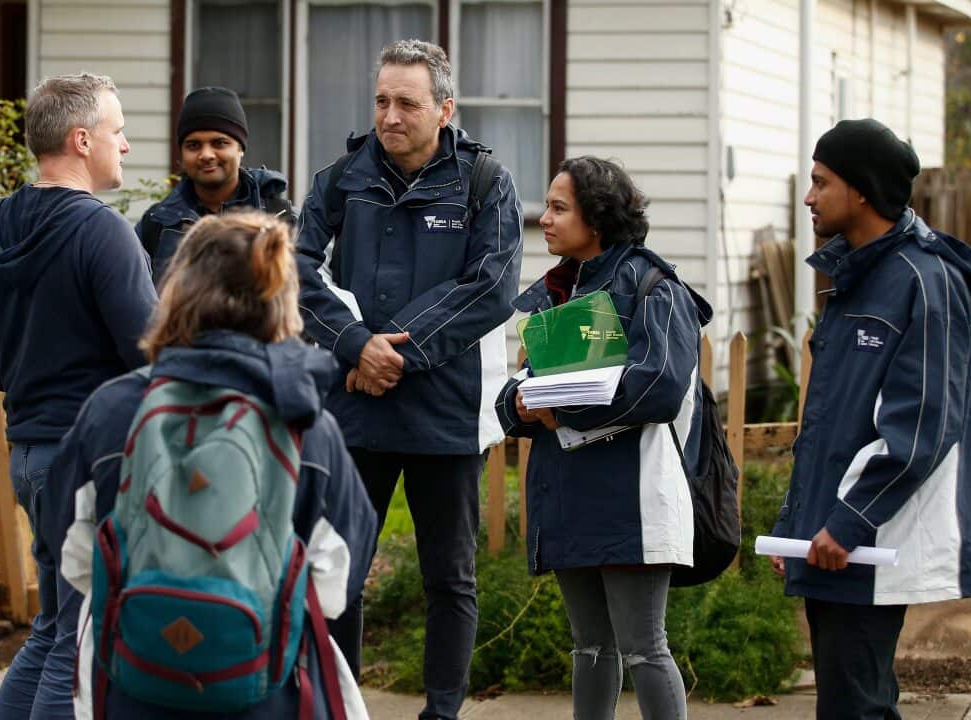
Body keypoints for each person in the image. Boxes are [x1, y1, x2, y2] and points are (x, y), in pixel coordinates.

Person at [48, 211, 378, 719]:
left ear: (177, 291)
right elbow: (338, 583)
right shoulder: (305, 424)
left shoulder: (111, 410)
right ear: (281, 301)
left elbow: (69, 549)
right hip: (268, 688)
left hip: (132, 684)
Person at [295, 38, 522, 720]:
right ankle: (340, 707)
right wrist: (355, 346)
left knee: (449, 577)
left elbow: (492, 286)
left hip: (443, 415)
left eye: (407, 103)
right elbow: (296, 272)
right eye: (381, 101)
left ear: (444, 110)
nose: (390, 116)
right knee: (338, 570)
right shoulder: (340, 179)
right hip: (355, 409)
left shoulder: (485, 182)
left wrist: (395, 351)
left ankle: (441, 712)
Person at [0, 72, 158, 720]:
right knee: (81, 640)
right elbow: (150, 352)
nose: (126, 145)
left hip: (31, 454)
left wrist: (28, 375)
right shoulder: (103, 233)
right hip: (89, 459)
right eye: (118, 132)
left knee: (55, 627)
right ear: (82, 140)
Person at [770, 119, 971, 720]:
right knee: (851, 702)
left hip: (871, 537)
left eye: (821, 182)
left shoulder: (925, 279)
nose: (809, 196)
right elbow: (829, 422)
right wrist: (797, 524)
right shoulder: (857, 276)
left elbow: (922, 423)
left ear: (862, 190)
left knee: (856, 705)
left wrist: (847, 522)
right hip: (836, 532)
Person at [495, 156, 707, 720]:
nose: (544, 218)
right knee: (588, 646)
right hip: (567, 494)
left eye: (559, 208)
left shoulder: (654, 287)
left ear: (597, 218)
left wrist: (563, 410)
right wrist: (520, 403)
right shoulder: (554, 293)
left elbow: (660, 386)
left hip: (631, 500)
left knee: (644, 647)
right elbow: (519, 386)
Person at [134, 86, 296, 280]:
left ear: (240, 149)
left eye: (219, 143)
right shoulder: (156, 225)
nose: (206, 155)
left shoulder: (281, 219)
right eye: (193, 145)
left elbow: (308, 290)